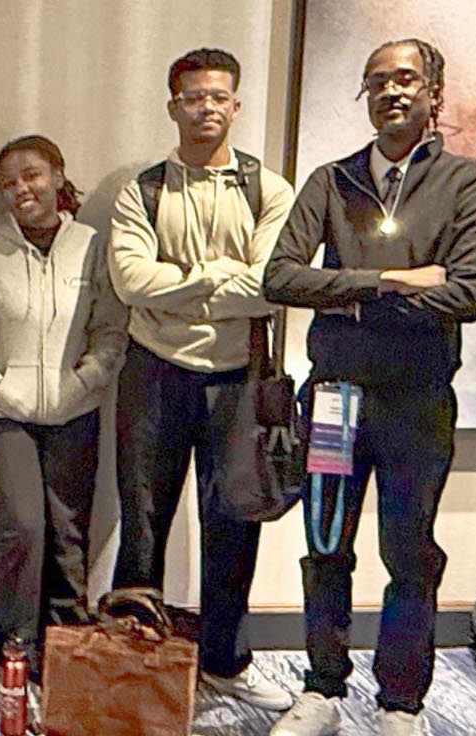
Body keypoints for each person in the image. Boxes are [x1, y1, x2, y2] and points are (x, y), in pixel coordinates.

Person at [264, 39, 476, 736]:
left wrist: (342, 296)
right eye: (377, 81)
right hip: (335, 397)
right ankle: (322, 689)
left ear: (434, 95)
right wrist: (389, 282)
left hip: (417, 401)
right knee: (326, 543)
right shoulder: (331, 182)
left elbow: (466, 293)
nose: (392, 92)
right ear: (364, 96)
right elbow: (280, 278)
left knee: (410, 552)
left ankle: (401, 702)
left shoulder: (467, 183)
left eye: (406, 79)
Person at [107, 48, 295, 710]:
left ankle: (225, 662)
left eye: (219, 96)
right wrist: (221, 277)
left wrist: (181, 285)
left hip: (239, 379)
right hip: (152, 372)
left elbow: (271, 285)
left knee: (234, 522)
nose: (206, 107)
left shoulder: (269, 190)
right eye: (193, 97)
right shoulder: (144, 189)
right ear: (173, 106)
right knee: (143, 521)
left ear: (236, 106)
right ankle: (134, 661)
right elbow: (130, 280)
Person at [0, 135, 127, 653]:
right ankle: (18, 643)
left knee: (68, 533)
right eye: (9, 182)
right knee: (24, 526)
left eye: (31, 175)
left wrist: (82, 382)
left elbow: (111, 331)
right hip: (4, 412)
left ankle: (66, 644)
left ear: (57, 176)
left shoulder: (92, 245)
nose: (21, 189)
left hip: (76, 408)